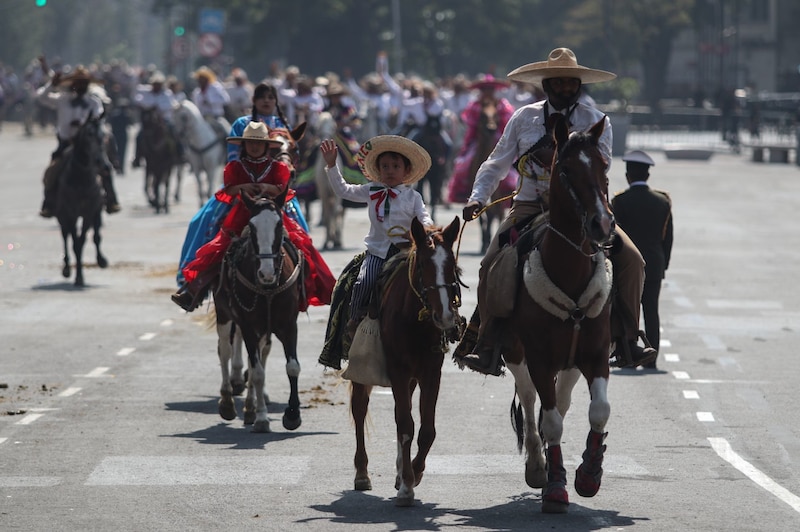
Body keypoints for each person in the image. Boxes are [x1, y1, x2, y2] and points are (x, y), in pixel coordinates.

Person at [456, 47, 657, 375]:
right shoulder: (524, 118)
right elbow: (496, 162)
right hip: (530, 204)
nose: (565, 88)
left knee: (633, 260)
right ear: (545, 85)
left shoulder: (596, 121)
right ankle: (486, 340)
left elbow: (601, 167)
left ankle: (629, 338)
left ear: (578, 85)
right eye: (558, 82)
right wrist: (477, 197)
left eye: (570, 82)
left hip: (583, 210)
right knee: (490, 263)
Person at [172, 121, 334, 312]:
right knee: (218, 249)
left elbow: (283, 189)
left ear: (267, 146)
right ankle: (194, 292)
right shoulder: (235, 167)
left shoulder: (277, 168)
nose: (255, 147)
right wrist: (244, 188)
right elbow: (229, 188)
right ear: (244, 146)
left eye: (259, 143)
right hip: (242, 215)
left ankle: (313, 287)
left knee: (301, 245)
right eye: (250, 143)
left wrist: (268, 188)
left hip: (272, 214)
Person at [317, 135, 433, 367]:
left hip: (404, 253)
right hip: (378, 252)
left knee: (431, 281)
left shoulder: (413, 196)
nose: (390, 171)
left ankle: (439, 324)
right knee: (363, 280)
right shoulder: (371, 190)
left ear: (406, 170)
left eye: (396, 166)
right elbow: (344, 191)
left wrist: (428, 230)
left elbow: (425, 217)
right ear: (378, 170)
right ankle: (355, 318)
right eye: (385, 167)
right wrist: (331, 165)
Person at [611, 150, 673, 369]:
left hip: (627, 267)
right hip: (655, 265)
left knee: (627, 308)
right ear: (647, 176)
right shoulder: (662, 201)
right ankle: (651, 358)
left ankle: (628, 351)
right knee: (651, 311)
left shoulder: (620, 201)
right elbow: (668, 239)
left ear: (628, 176)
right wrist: (661, 266)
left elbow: (615, 237)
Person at [36, 64, 121, 217]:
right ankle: (48, 203)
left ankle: (111, 200)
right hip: (66, 143)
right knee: (52, 171)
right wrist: (52, 85)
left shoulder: (94, 102)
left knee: (105, 168)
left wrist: (83, 124)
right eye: (78, 83)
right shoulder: (62, 100)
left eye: (84, 83)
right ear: (73, 84)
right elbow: (42, 98)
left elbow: (98, 118)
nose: (81, 86)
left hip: (88, 144)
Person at [132, 71, 178, 169]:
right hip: (150, 121)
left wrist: (158, 108)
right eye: (155, 84)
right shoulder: (146, 92)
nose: (156, 87)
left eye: (158, 85)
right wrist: (149, 107)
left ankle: (178, 155)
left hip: (164, 120)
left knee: (173, 132)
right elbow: (138, 99)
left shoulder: (166, 94)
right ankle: (137, 158)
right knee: (139, 136)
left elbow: (170, 105)